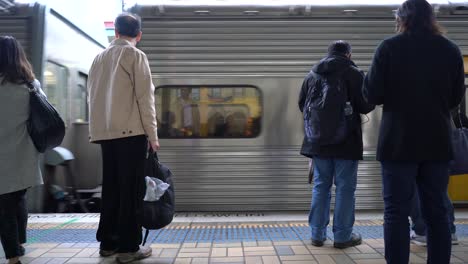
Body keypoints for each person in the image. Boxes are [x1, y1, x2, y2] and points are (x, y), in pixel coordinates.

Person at [363, 0, 466, 263]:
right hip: (436, 143)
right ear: (431, 17)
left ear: (402, 18)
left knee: (396, 212)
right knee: (437, 212)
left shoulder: (388, 47)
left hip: (398, 143)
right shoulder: (450, 49)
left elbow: (371, 94)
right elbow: (455, 98)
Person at [87, 13, 160, 263]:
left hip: (106, 135)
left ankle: (108, 243)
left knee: (112, 189)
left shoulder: (98, 58)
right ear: (138, 35)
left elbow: (92, 96)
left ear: (116, 33)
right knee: (131, 191)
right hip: (131, 134)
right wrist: (153, 135)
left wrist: (97, 131)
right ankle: (129, 248)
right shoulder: (135, 55)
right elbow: (145, 99)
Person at [298, 41, 374, 249]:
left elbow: (301, 105)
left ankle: (317, 234)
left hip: (318, 141)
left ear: (328, 54)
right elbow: (366, 105)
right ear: (348, 55)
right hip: (346, 141)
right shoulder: (353, 72)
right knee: (345, 188)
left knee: (321, 186)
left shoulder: (312, 74)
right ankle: (342, 236)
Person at [0, 36, 43, 264]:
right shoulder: (30, 85)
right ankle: (19, 243)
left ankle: (13, 255)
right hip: (23, 156)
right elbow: (45, 113)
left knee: (4, 206)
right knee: (17, 199)